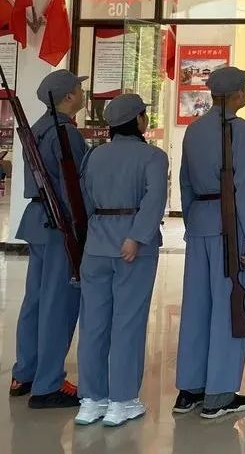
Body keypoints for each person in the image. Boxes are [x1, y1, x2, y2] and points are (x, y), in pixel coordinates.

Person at [174, 66, 245, 419]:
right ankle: (220, 394)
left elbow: (185, 182)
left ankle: (190, 389)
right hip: (230, 225)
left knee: (197, 306)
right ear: (237, 94)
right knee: (231, 305)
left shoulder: (194, 130)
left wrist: (192, 221)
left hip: (200, 222)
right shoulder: (238, 128)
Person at [75, 94, 168, 427]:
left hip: (96, 244)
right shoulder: (153, 156)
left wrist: (96, 233)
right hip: (133, 246)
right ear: (138, 120)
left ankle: (91, 400)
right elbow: (155, 198)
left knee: (93, 324)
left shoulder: (95, 155)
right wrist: (137, 236)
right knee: (128, 322)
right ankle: (122, 400)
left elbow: (85, 199)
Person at [10, 70, 89, 408]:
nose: (82, 92)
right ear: (69, 96)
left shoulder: (38, 128)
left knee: (36, 301)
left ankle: (24, 373)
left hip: (37, 221)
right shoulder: (65, 133)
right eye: (79, 88)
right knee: (59, 304)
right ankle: (48, 384)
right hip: (60, 224)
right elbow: (76, 185)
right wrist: (83, 228)